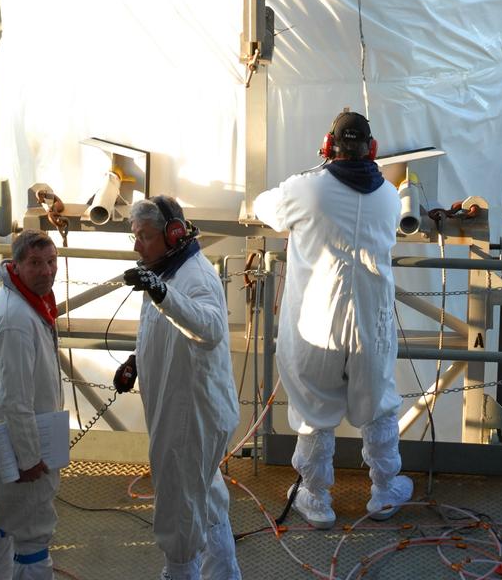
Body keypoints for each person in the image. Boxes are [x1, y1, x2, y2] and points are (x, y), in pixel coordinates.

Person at [253, 109, 413, 528]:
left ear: (329, 147)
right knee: (378, 406)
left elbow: (263, 206)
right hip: (370, 326)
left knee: (313, 411)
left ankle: (316, 498)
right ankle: (384, 491)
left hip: (317, 324)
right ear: (371, 149)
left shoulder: (308, 190)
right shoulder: (390, 197)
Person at [115, 195, 241, 580]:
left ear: (172, 235)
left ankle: (181, 571)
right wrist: (137, 361)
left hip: (192, 416)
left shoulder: (193, 277)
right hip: (182, 411)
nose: (136, 246)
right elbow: (160, 329)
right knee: (206, 496)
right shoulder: (162, 270)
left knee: (179, 506)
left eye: (143, 237)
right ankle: (223, 573)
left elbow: (209, 328)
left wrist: (161, 292)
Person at [0, 230, 63, 580]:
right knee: (33, 533)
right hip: (21, 446)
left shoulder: (22, 305)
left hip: (15, 439)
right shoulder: (16, 321)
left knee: (8, 522)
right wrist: (28, 458)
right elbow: (15, 400)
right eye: (36, 263)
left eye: (52, 261)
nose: (47, 271)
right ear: (17, 265)